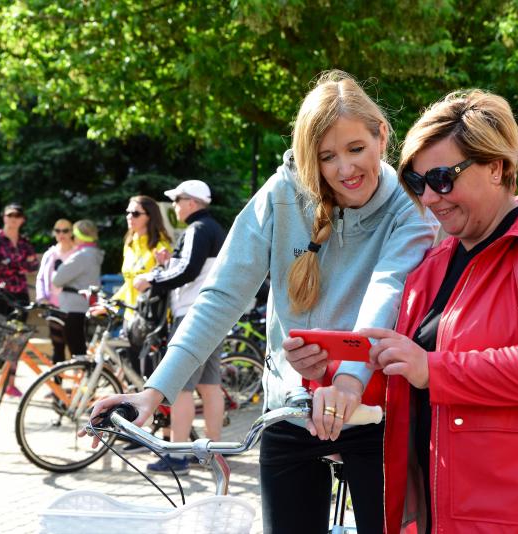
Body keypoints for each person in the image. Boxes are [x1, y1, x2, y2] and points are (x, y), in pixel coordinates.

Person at [86, 70, 439, 533]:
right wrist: (154, 393)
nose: (345, 169)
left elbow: (387, 291)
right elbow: (223, 294)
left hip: (372, 408)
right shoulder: (282, 194)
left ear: (382, 136)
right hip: (290, 406)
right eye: (326, 156)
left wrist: (348, 384)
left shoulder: (410, 208)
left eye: (356, 148)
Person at [359, 90, 518, 532]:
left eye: (442, 178)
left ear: (497, 167)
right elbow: (409, 377)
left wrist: (434, 370)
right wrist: (332, 372)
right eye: (417, 183)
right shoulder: (436, 263)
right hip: (444, 511)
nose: (429, 198)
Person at [129, 180, 227, 474]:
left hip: (193, 315)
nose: (173, 206)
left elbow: (190, 271)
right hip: (213, 314)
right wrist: (168, 263)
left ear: (192, 202)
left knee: (181, 387)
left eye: (177, 200)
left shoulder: (198, 229)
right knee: (210, 385)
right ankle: (213, 452)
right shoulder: (212, 228)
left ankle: (178, 456)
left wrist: (152, 279)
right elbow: (194, 268)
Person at [0, 203, 39, 397]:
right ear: (4, 217)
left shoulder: (24, 241)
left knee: (15, 341)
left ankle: (10, 384)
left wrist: (9, 262)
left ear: (22, 219)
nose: (13, 218)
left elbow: (33, 266)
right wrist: (20, 263)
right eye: (10, 215)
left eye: (17, 215)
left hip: (20, 295)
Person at [108, 196, 172, 325]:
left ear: (150, 216)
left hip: (153, 318)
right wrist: (111, 305)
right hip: (131, 317)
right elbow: (129, 283)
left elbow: (168, 283)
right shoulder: (129, 244)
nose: (129, 217)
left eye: (135, 213)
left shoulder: (161, 247)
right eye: (128, 212)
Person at [51, 220, 104, 358]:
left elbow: (57, 280)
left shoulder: (81, 256)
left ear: (80, 237)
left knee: (77, 353)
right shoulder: (94, 254)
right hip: (83, 306)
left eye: (73, 235)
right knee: (80, 349)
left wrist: (57, 269)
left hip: (73, 308)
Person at [35, 219, 77, 366]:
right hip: (54, 306)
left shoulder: (78, 253)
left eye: (65, 230)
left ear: (71, 232)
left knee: (75, 346)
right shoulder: (50, 254)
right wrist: (42, 298)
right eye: (58, 231)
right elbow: (40, 278)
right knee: (57, 346)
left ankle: (80, 379)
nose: (61, 234)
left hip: (73, 307)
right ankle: (57, 380)